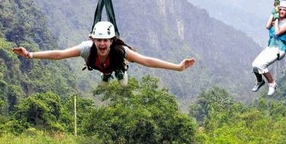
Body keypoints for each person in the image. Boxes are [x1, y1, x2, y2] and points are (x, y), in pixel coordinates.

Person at [12, 21, 195, 82]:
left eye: (105, 40)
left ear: (111, 40)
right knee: (105, 74)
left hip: (115, 65)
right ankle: (107, 76)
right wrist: (30, 54)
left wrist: (178, 67)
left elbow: (146, 61)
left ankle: (118, 74)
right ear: (93, 39)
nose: (101, 44)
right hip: (99, 67)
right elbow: (59, 54)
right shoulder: (86, 49)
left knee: (119, 76)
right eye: (98, 40)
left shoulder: (120, 51)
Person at [251, 1, 286, 96]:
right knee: (254, 65)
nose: (281, 11)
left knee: (261, 65)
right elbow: (267, 26)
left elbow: (277, 32)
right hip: (271, 47)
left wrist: (276, 18)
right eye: (280, 9)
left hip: (279, 49)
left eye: (284, 10)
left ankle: (272, 84)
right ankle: (260, 81)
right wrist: (272, 13)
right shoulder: (275, 19)